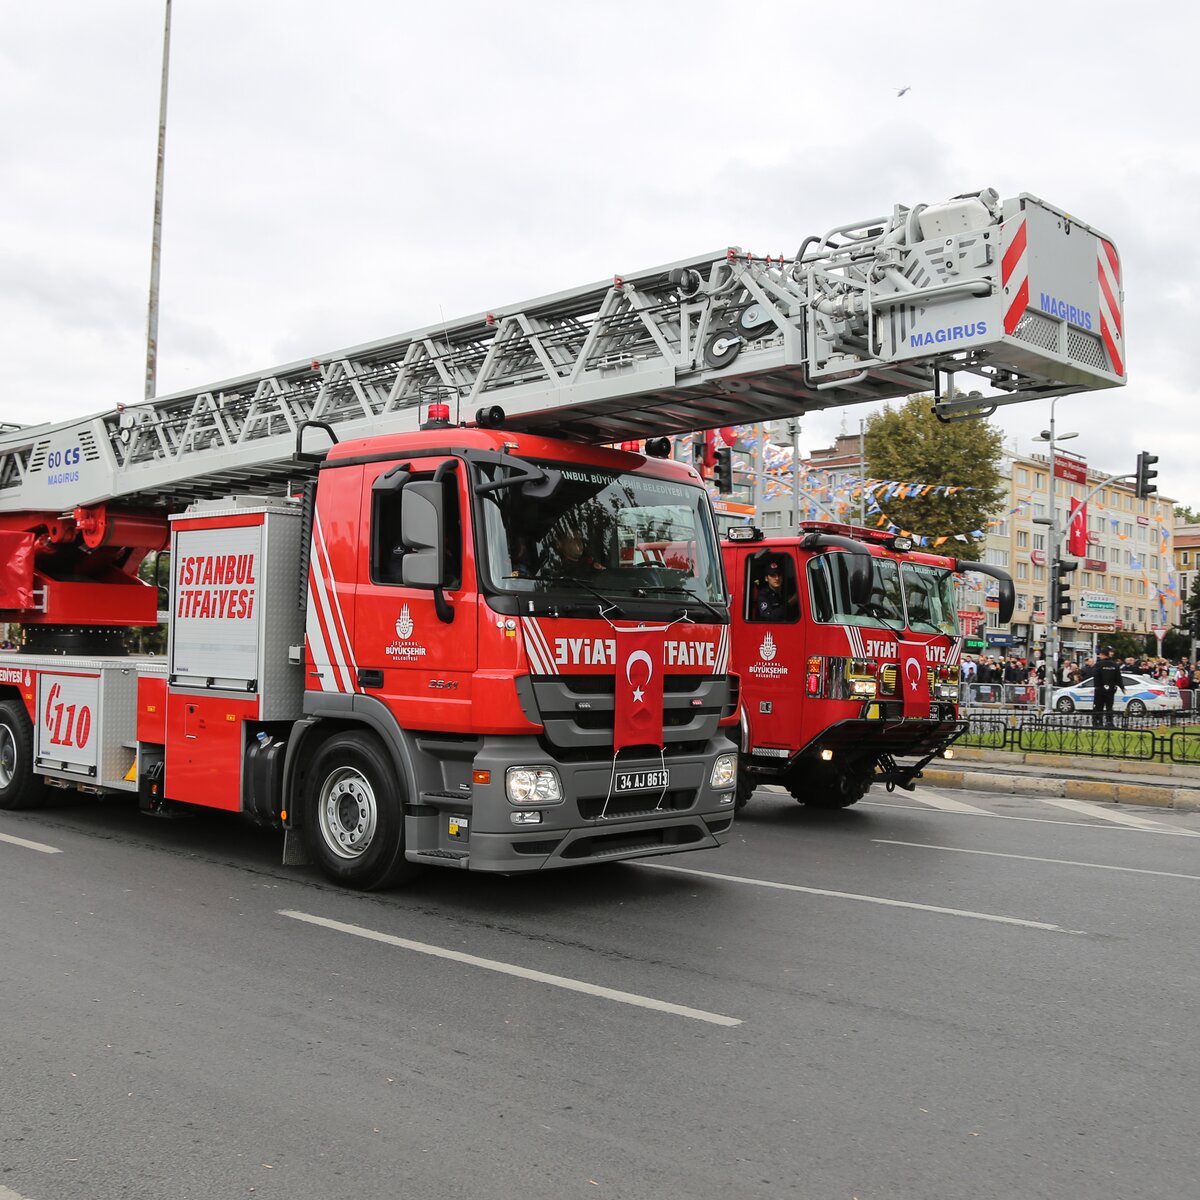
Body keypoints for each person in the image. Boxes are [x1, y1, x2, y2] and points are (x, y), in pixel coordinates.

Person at [1092, 647, 1125, 729]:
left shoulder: (1099, 664)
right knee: (1109, 707)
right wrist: (1122, 687)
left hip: (1100, 689)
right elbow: (1118, 678)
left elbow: (1096, 676)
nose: (1099, 656)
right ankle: (1109, 722)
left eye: (1100, 654)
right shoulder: (1115, 665)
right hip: (1111, 689)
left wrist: (1097, 687)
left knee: (1098, 707)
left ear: (1103, 655)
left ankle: (1098, 722)